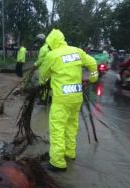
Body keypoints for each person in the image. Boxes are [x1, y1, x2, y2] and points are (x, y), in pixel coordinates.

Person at [39, 29, 98, 171]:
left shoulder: (52, 55)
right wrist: (93, 78)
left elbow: (43, 75)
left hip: (61, 99)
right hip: (76, 98)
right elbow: (93, 63)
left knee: (57, 128)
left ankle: (57, 162)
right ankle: (70, 153)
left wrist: (43, 83)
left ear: (52, 42)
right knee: (72, 126)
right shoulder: (77, 51)